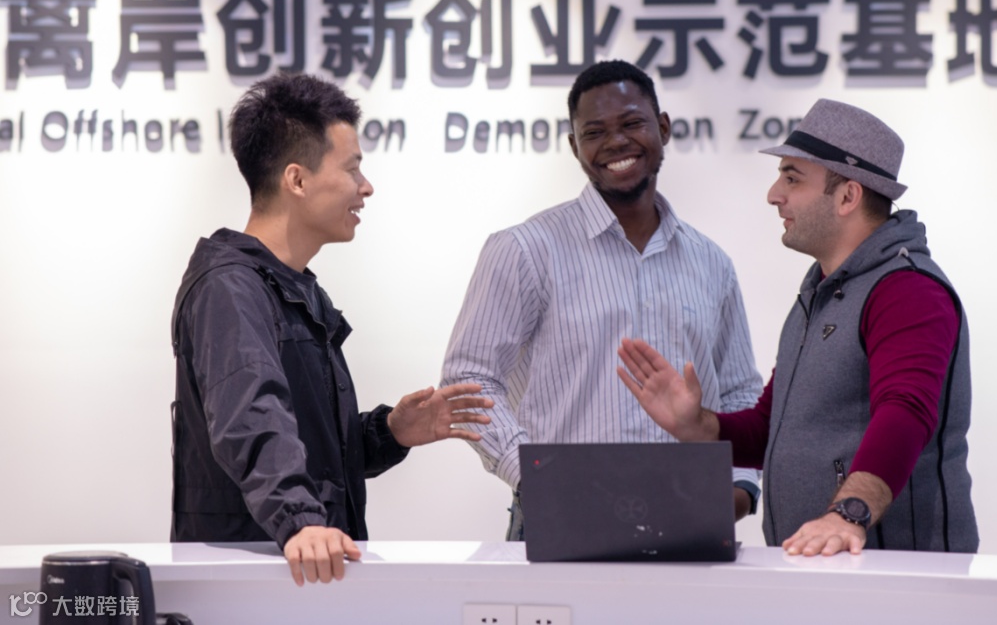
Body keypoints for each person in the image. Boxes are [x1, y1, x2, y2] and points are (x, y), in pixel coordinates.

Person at [170, 72, 493, 586]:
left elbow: (311, 445)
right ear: (297, 180)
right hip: (256, 585)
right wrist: (300, 522)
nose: (366, 187)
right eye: (352, 168)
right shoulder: (229, 288)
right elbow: (251, 419)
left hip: (308, 576)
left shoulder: (294, 286)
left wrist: (389, 433)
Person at [618, 99, 978, 556]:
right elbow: (773, 427)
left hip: (895, 572)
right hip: (821, 565)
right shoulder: (820, 290)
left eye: (792, 178)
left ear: (848, 196)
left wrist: (848, 514)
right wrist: (700, 426)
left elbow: (906, 410)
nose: (774, 194)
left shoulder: (907, 289)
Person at [440, 60, 763, 539]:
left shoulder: (711, 262)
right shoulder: (525, 250)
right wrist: (537, 479)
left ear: (663, 128)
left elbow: (739, 392)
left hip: (689, 522)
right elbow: (468, 380)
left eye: (632, 123)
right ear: (575, 147)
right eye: (594, 132)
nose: (615, 142)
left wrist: (740, 487)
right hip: (560, 522)